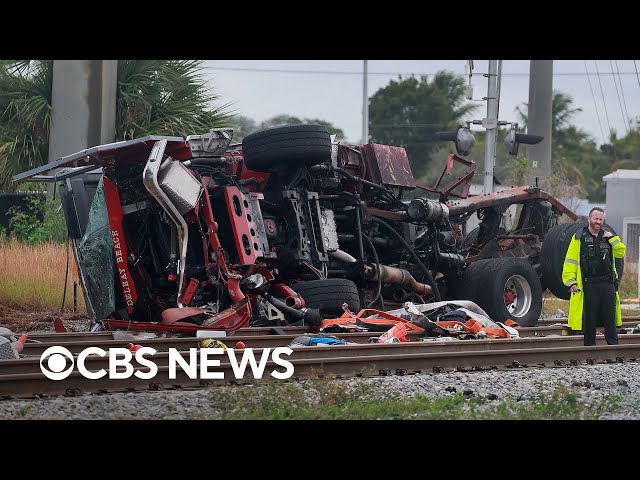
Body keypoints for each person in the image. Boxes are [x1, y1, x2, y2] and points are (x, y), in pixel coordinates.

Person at [562, 207, 626, 346]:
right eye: (596, 218)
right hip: (589, 283)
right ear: (589, 219)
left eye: (601, 219)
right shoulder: (579, 237)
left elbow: (621, 252)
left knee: (610, 316)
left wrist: (613, 238)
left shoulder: (608, 237)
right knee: (589, 317)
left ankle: (613, 345)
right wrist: (571, 282)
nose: (598, 222)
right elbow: (570, 261)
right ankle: (590, 346)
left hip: (607, 283)